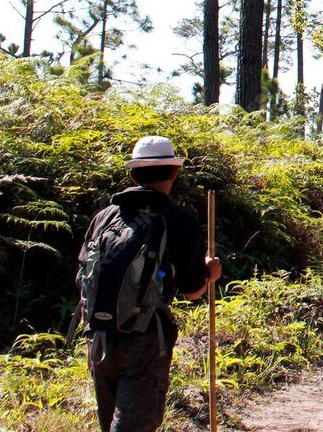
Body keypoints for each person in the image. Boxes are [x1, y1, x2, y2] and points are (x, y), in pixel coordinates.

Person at [74, 135, 222, 432]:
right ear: (173, 172)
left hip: (98, 337)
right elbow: (193, 290)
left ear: (133, 173)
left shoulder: (104, 216)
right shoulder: (177, 218)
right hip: (145, 339)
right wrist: (211, 273)